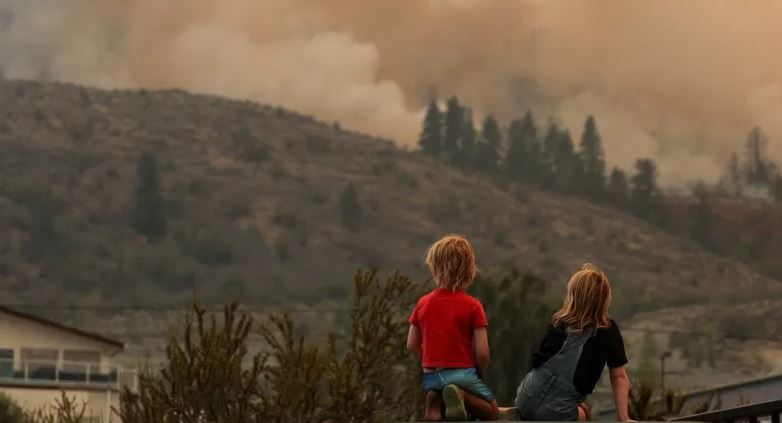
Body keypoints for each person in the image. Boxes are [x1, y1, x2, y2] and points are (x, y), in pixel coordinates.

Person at [515, 263, 631, 421]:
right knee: (583, 413)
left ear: (573, 295)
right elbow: (618, 376)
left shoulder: (559, 322)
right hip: (556, 414)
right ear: (604, 299)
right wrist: (624, 419)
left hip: (525, 398)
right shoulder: (608, 331)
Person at [406, 234, 499, 421]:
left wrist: (429, 361)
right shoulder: (473, 306)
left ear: (434, 267)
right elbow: (482, 353)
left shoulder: (423, 303)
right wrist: (478, 373)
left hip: (432, 373)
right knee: (492, 411)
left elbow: (411, 344)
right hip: (462, 374)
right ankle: (462, 396)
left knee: (437, 398)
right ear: (469, 269)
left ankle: (434, 402)